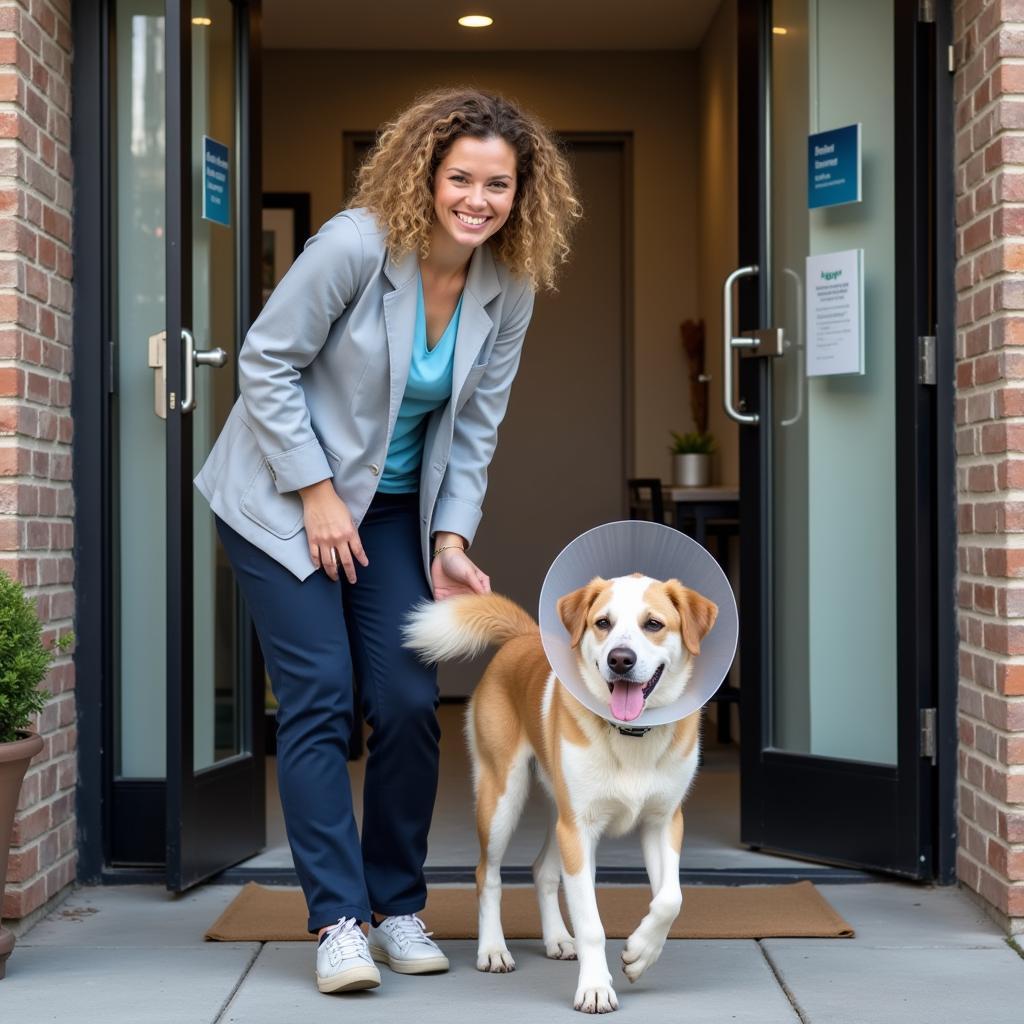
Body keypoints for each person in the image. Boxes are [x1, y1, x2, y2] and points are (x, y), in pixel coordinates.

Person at [194, 86, 581, 995]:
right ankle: (337, 921)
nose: (478, 200)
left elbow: (478, 422)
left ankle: (398, 905)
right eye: (461, 178)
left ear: (523, 193)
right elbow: (264, 362)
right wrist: (317, 492)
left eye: (500, 184)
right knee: (323, 693)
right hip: (281, 497)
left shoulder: (507, 284)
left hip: (394, 512)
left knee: (409, 699)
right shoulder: (358, 247)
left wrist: (450, 539)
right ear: (427, 173)